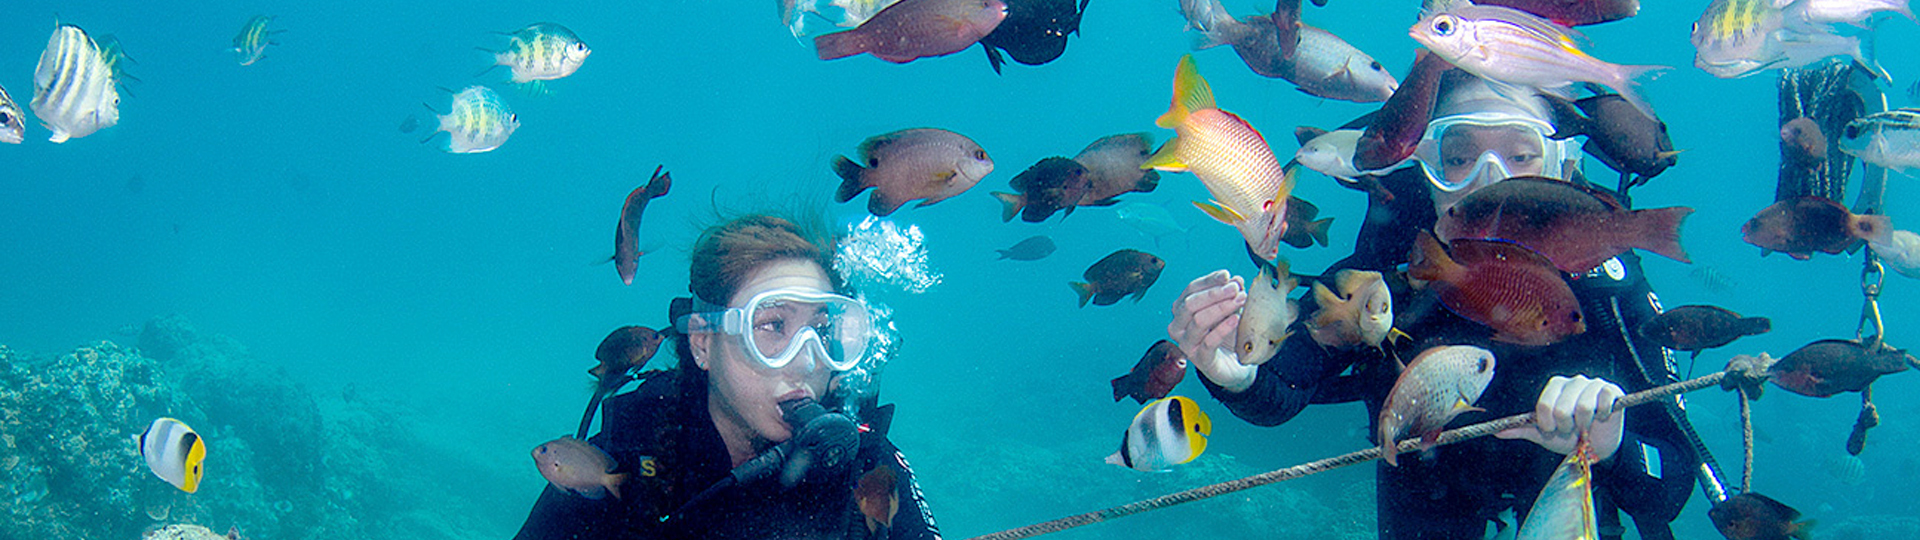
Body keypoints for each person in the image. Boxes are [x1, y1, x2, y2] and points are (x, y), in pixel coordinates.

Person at [1167, 72, 1723, 540]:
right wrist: (1232, 371)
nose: (1493, 184)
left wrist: (1611, 443)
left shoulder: (1603, 287)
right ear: (1425, 170)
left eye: (1522, 155)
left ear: (1561, 166)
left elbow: (1669, 484)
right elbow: (1285, 388)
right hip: (1425, 502)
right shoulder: (1391, 274)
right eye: (1458, 158)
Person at [513, 214, 940, 540]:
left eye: (822, 330)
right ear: (702, 343)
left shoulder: (864, 464)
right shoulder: (631, 449)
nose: (807, 360)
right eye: (773, 326)